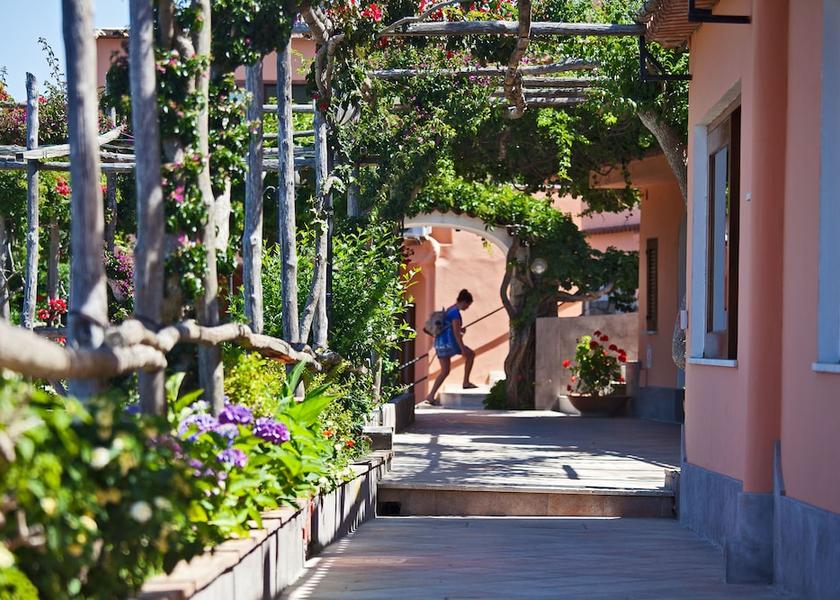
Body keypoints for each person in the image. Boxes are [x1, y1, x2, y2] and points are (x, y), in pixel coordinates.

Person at [426, 289, 477, 405]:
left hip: (440, 343)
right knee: (470, 354)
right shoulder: (456, 314)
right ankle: (466, 382)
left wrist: (460, 331)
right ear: (464, 302)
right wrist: (462, 348)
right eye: (467, 305)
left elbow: (452, 329)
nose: (467, 308)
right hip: (450, 343)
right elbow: (455, 333)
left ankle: (430, 395)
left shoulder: (449, 309)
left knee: (445, 371)